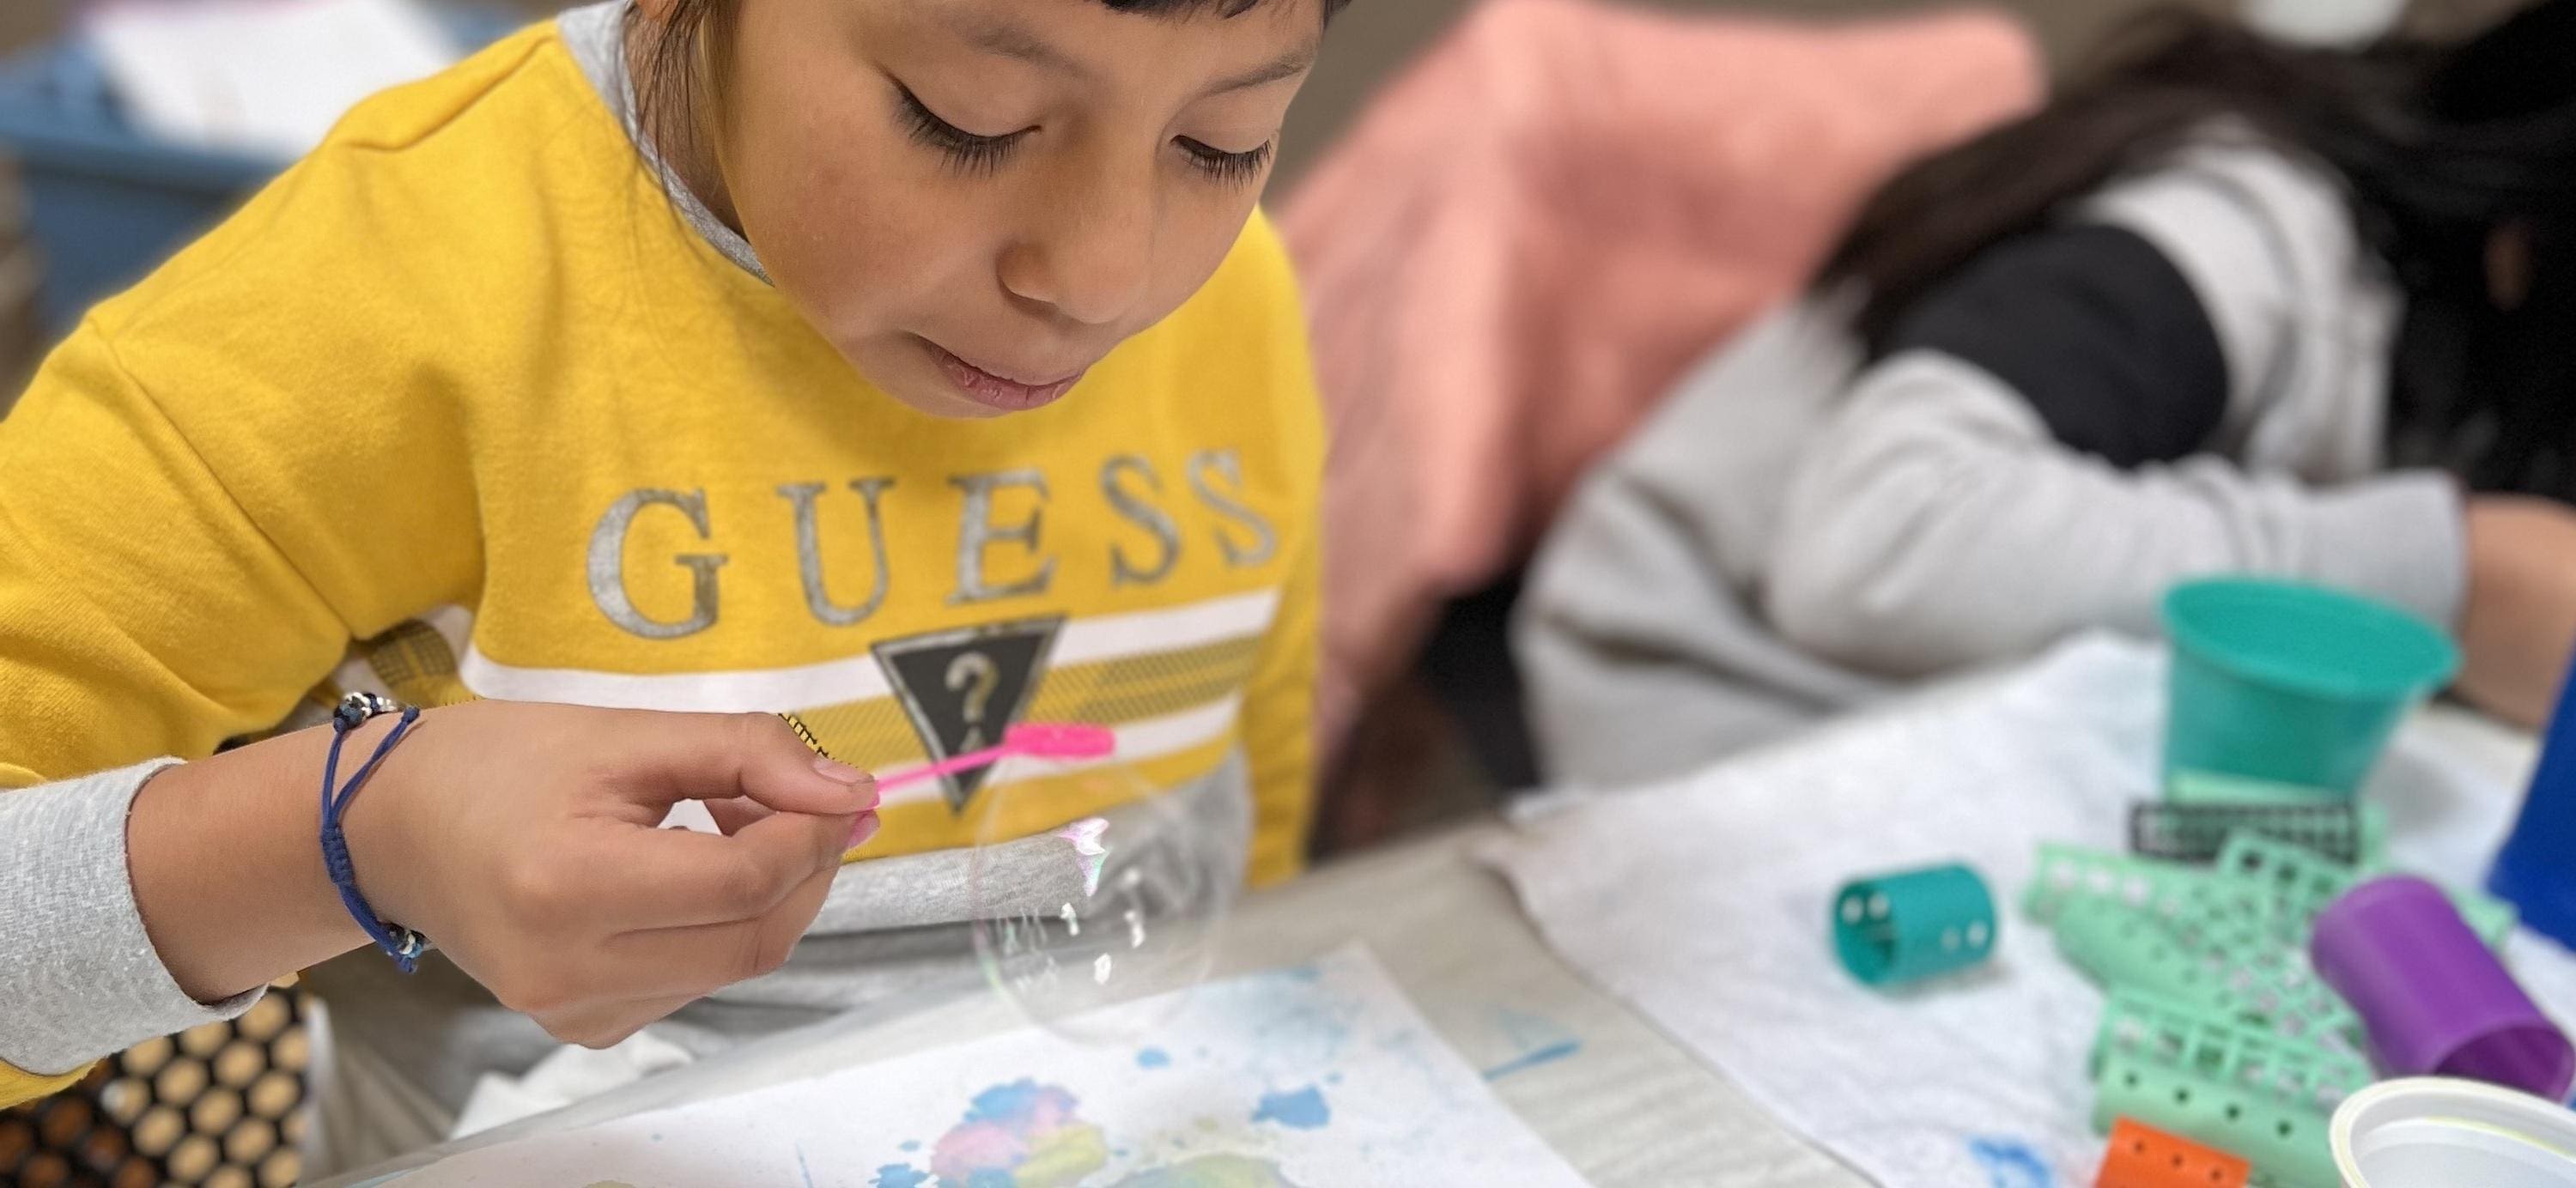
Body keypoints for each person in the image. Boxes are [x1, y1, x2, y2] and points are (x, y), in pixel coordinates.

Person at [0, 0, 1344, 1169]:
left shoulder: (1233, 305)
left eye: (1221, 141)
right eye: (966, 119)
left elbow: (1249, 766)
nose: (1104, 280)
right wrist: (363, 832)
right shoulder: (366, 314)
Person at [1517, 1, 2576, 787]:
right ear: (2518, 259)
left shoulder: (2459, 334)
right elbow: (1882, 538)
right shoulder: (2237, 240)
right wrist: (2448, 576)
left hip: (2013, 723)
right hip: (1722, 702)